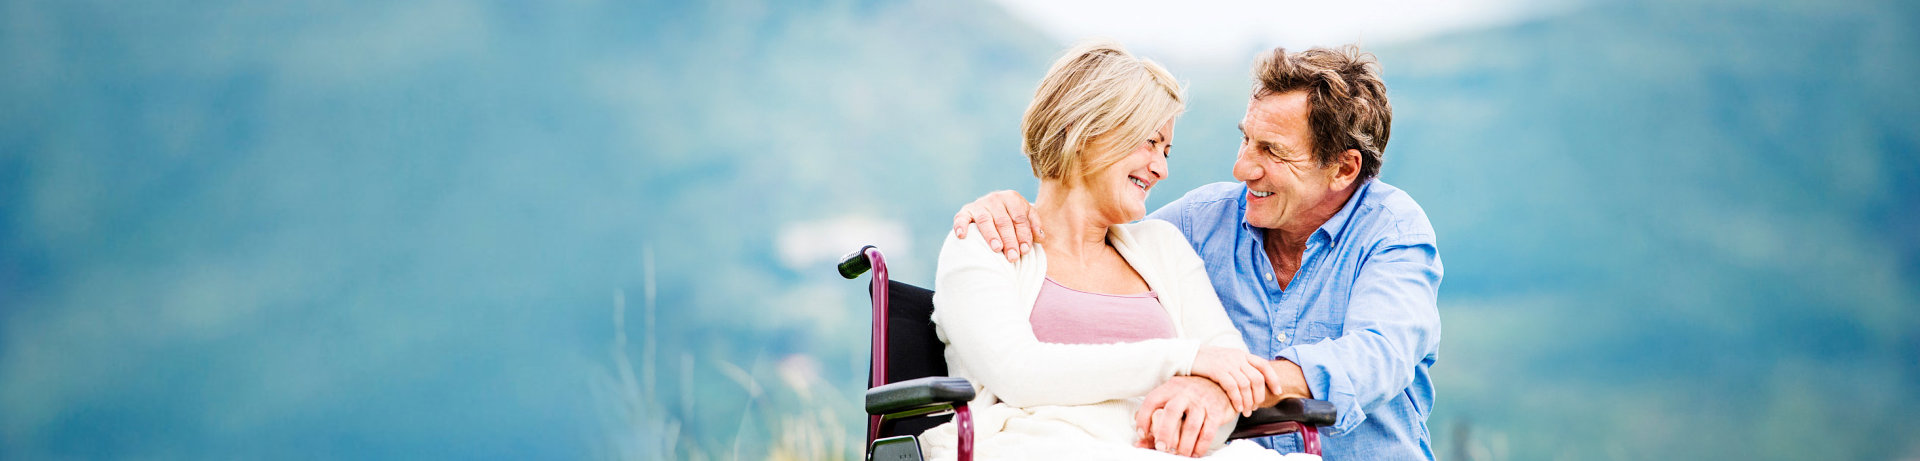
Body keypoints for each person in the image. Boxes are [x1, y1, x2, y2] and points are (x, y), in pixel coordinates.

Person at [953, 45, 1442, 460]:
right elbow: (1085, 229)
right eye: (1246, 139)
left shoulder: (1391, 231)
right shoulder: (1195, 223)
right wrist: (1005, 204)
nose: (1242, 167)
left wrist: (1223, 382)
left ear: (1343, 169)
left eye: (1272, 151)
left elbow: (1377, 353)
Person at [920, 40, 1316, 461]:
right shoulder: (986, 243)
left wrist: (1199, 407)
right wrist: (1182, 360)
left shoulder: (1164, 247)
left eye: (1166, 151)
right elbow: (1018, 375)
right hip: (1038, 445)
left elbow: (1230, 367)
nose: (1161, 168)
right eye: (1149, 142)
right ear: (1085, 129)